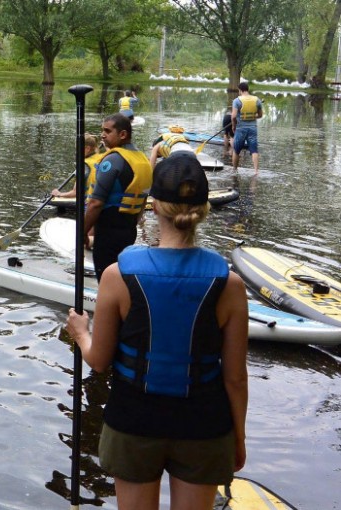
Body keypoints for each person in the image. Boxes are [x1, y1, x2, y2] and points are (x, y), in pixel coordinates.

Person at [65, 154, 248, 510]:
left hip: (133, 421)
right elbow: (235, 378)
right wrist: (238, 437)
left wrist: (81, 331)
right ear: (203, 209)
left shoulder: (117, 276)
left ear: (152, 207)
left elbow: (98, 360)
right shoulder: (231, 284)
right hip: (205, 426)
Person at [83, 113, 152, 281]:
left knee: (106, 279)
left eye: (107, 131)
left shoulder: (113, 160)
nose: (103, 135)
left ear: (122, 134)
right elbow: (142, 202)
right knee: (122, 278)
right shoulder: (143, 160)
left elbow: (95, 203)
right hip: (129, 231)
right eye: (102, 131)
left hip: (108, 234)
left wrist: (82, 233)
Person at [52, 133, 104, 198]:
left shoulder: (83, 165)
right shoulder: (102, 157)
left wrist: (59, 194)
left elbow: (76, 193)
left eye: (78, 149)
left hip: (90, 203)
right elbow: (95, 150)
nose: (76, 152)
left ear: (87, 148)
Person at [231, 82, 263, 173]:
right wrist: (252, 116)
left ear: (240, 90)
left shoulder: (237, 101)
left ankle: (234, 170)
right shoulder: (257, 100)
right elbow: (260, 115)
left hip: (240, 128)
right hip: (253, 128)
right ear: (247, 89)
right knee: (254, 150)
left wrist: (233, 126)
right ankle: (256, 171)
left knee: (236, 150)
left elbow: (233, 116)